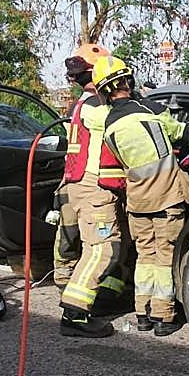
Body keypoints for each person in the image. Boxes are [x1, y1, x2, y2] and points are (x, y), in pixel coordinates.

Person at [96, 57, 189, 337]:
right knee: (164, 258)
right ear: (128, 81)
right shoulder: (149, 110)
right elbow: (183, 135)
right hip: (166, 199)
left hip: (137, 202)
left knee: (145, 257)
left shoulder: (109, 127)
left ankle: (143, 313)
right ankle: (164, 317)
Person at [57, 43, 129, 337]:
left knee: (114, 244)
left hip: (87, 186)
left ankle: (106, 295)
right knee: (101, 248)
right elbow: (123, 123)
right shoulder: (97, 107)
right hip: (93, 189)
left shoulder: (82, 105)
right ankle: (75, 313)